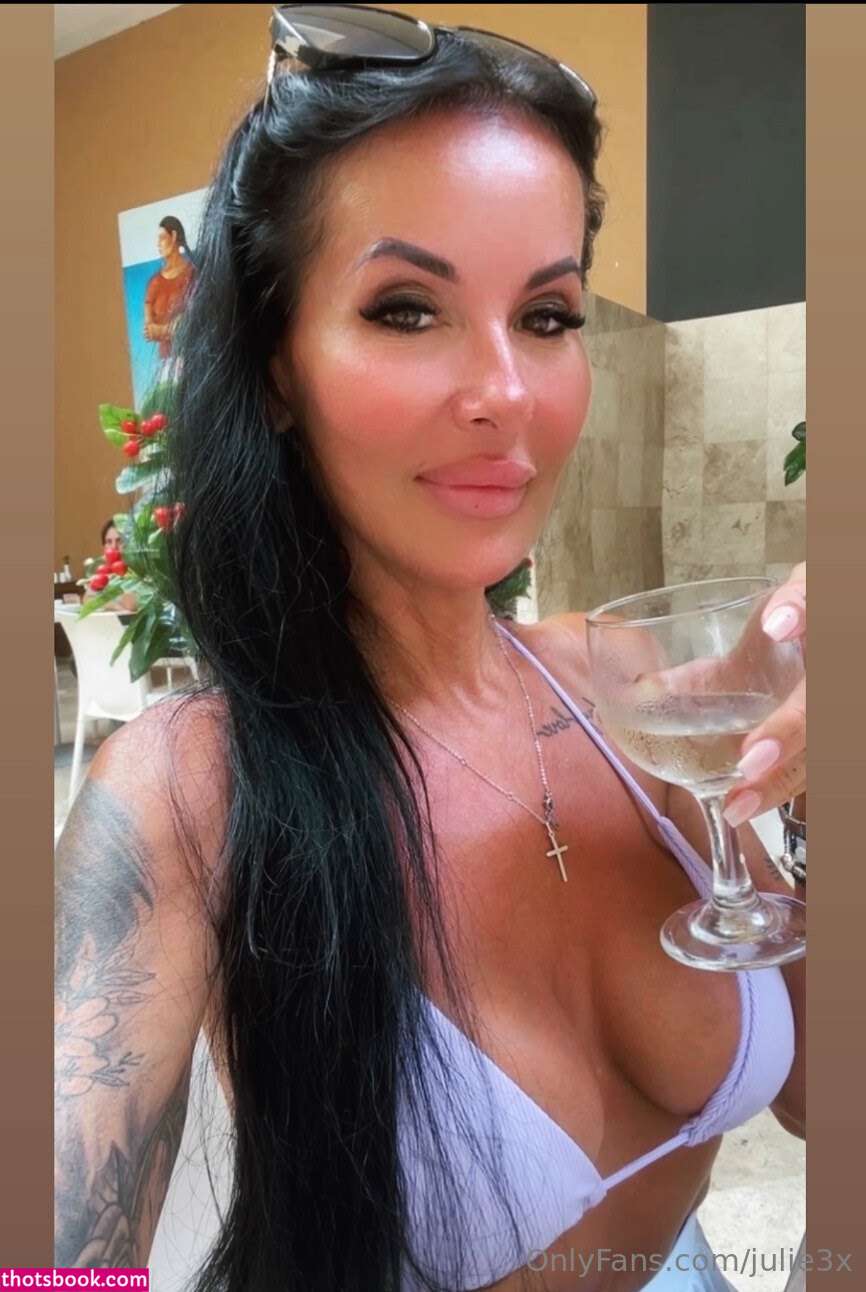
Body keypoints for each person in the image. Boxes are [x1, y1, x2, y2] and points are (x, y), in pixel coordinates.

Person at [54, 9, 806, 1291]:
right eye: (407, 309)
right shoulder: (182, 793)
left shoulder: (629, 685)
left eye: (548, 315)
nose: (506, 393)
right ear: (276, 366)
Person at [143, 215, 196, 360]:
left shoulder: (193, 274)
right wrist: (162, 329)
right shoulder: (154, 283)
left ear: (173, 237)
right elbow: (149, 329)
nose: (158, 244)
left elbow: (194, 321)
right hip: (166, 362)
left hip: (192, 358)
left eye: (162, 238)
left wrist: (163, 330)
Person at [81, 519, 138, 613]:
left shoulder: (137, 571)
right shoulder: (104, 571)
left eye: (119, 541)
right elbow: (87, 601)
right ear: (104, 547)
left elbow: (130, 607)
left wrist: (123, 573)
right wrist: (113, 606)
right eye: (109, 542)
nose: (114, 547)